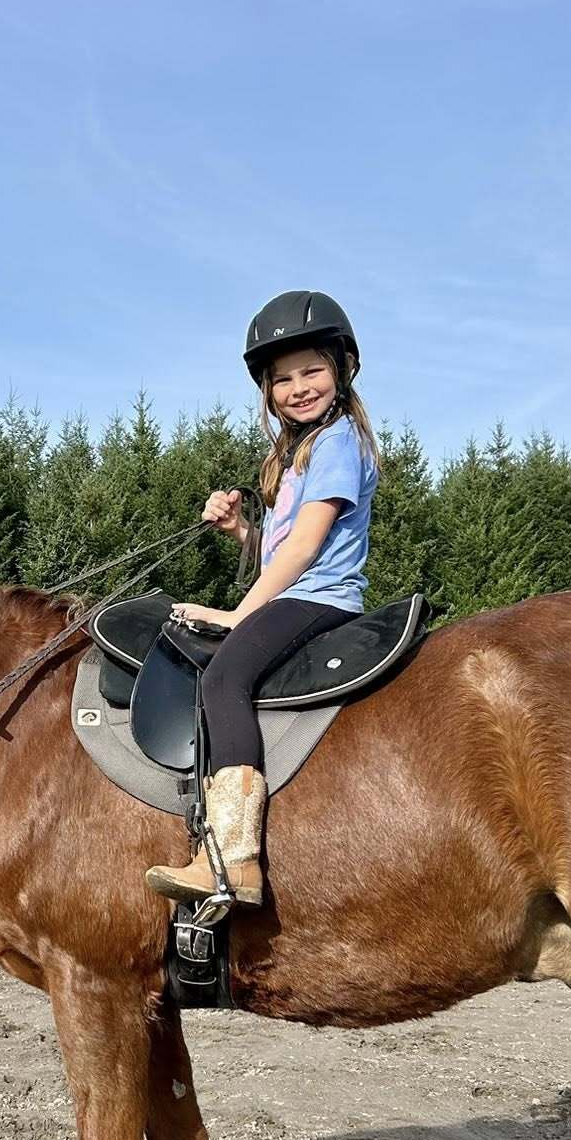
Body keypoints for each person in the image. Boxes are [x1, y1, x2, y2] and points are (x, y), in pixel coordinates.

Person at [145, 290, 380, 906]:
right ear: (268, 390)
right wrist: (241, 533)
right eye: (283, 379)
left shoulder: (336, 442)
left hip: (321, 597)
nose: (298, 387)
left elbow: (305, 550)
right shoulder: (294, 453)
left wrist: (237, 614)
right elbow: (280, 549)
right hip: (301, 588)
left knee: (223, 681)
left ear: (342, 368)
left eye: (312, 371)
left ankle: (234, 859)